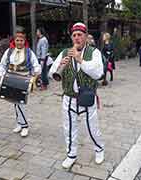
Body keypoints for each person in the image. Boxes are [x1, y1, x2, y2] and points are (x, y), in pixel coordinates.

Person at [49, 22, 104, 169]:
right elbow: (51, 73)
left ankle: (99, 149)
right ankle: (71, 154)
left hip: (87, 97)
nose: (77, 38)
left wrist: (80, 60)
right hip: (68, 97)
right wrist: (60, 64)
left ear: (86, 36)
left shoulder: (94, 52)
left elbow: (98, 74)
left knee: (92, 126)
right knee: (69, 127)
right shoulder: (65, 52)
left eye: (80, 35)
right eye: (74, 35)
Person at [0, 28, 41, 137]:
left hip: (23, 81)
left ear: (24, 41)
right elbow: (2, 65)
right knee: (15, 103)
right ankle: (19, 124)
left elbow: (36, 66)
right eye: (17, 40)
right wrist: (1, 76)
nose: (19, 42)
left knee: (21, 103)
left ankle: (25, 125)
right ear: (14, 40)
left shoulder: (29, 52)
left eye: (21, 40)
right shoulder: (9, 51)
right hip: (10, 80)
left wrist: (33, 78)